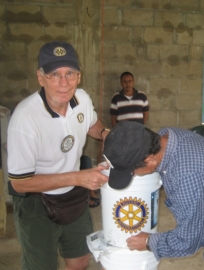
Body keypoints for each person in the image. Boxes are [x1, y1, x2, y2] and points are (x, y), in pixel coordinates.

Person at [103, 121, 204, 270]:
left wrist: (148, 242)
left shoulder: (187, 177)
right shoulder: (169, 136)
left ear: (149, 160)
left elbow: (188, 241)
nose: (135, 176)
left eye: (133, 172)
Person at [7, 41, 111, 270]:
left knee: (81, 261)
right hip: (35, 200)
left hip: (73, 195)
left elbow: (92, 124)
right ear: (40, 77)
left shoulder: (82, 99)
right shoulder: (25, 119)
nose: (63, 83)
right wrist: (78, 177)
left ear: (79, 76)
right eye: (54, 74)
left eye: (69, 73)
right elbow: (19, 183)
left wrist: (104, 134)